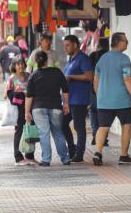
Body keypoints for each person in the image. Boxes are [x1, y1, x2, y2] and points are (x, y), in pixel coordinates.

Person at [92, 32, 131, 166]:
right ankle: (123, 156)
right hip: (122, 100)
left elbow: (96, 79)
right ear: (119, 42)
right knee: (126, 126)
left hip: (104, 101)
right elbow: (127, 79)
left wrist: (99, 94)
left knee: (103, 127)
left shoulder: (102, 59)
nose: (127, 43)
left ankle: (98, 153)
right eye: (126, 41)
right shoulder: (124, 59)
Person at [25, 50, 71, 166]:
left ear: (36, 62)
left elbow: (29, 96)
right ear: (47, 60)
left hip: (38, 108)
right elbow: (65, 89)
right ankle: (65, 159)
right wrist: (66, 104)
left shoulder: (33, 75)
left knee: (43, 133)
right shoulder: (57, 72)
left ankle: (46, 160)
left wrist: (27, 112)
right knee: (58, 132)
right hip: (56, 107)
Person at [62, 35, 93, 163]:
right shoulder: (70, 60)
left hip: (79, 99)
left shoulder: (83, 59)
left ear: (75, 45)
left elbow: (89, 76)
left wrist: (71, 77)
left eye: (68, 45)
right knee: (62, 124)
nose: (65, 48)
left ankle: (79, 153)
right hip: (69, 100)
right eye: (64, 45)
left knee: (79, 126)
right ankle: (72, 149)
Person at [7, 58, 36, 166]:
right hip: (19, 109)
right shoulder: (12, 79)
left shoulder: (29, 76)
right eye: (18, 64)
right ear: (14, 66)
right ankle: (18, 157)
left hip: (31, 107)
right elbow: (10, 95)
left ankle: (30, 156)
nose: (21, 66)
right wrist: (23, 97)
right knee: (19, 131)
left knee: (31, 130)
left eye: (22, 64)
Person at [89, 37, 110, 145]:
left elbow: (89, 72)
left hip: (93, 88)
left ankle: (95, 135)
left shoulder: (92, 56)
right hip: (107, 89)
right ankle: (103, 138)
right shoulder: (110, 56)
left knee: (93, 111)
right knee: (105, 113)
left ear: (98, 45)